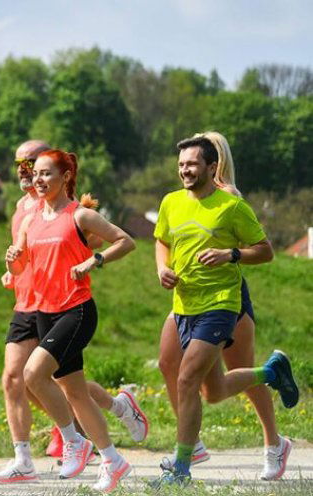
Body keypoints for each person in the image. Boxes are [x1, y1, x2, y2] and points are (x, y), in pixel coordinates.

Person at [0, 141, 148, 485]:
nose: (39, 178)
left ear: (65, 177)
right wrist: (12, 262)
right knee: (75, 393)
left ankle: (74, 442)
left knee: (33, 375)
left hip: (76, 310)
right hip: (43, 309)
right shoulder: (29, 217)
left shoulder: (79, 214)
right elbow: (21, 266)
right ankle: (112, 459)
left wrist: (94, 260)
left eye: (46, 173)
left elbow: (126, 240)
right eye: (37, 173)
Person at [150, 134, 298, 487]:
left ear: (212, 166)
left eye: (192, 164)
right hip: (184, 304)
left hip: (221, 305)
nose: (185, 170)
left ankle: (182, 468)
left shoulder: (231, 205)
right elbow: (162, 240)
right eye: (181, 164)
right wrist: (161, 268)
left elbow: (266, 251)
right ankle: (271, 372)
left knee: (187, 379)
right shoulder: (171, 202)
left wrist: (230, 254)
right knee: (212, 391)